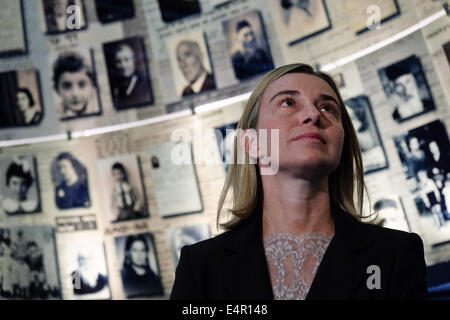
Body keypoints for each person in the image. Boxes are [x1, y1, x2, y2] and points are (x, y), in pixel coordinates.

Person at [170, 63, 428, 300]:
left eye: (328, 107)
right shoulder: (202, 266)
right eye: (288, 102)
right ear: (251, 142)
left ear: (343, 141)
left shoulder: (395, 255)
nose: (313, 115)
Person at [53, 51, 100, 120]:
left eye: (82, 85)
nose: (75, 94)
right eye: (67, 86)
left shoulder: (98, 107)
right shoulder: (55, 115)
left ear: (92, 86)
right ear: (57, 89)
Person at [110, 43, 152, 109]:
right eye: (119, 61)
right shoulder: (116, 87)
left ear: (133, 60)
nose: (123, 65)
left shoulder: (144, 83)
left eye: (126, 60)